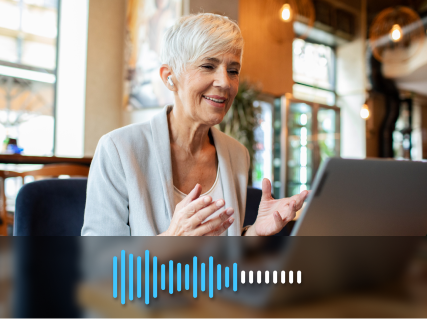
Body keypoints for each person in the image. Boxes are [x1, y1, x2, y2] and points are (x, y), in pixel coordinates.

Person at [81, 13, 309, 236]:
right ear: (169, 77)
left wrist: (255, 234)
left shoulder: (237, 154)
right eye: (208, 66)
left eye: (233, 71)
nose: (225, 82)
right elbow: (99, 268)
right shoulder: (117, 149)